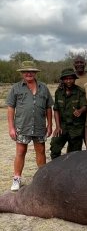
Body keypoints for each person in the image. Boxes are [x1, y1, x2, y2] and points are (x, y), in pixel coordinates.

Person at [6, 61, 53, 191]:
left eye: (31, 71)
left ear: (35, 73)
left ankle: (43, 178)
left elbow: (49, 107)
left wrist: (49, 125)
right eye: (26, 71)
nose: (29, 73)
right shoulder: (16, 88)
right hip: (22, 126)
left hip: (39, 126)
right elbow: (11, 108)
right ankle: (16, 179)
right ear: (22, 73)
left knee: (41, 151)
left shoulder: (43, 87)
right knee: (20, 152)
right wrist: (11, 128)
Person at [50, 68, 87, 159]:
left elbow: (85, 106)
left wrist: (80, 111)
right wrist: (58, 127)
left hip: (76, 128)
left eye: (71, 78)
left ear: (74, 79)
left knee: (74, 155)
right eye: (66, 79)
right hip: (63, 126)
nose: (68, 81)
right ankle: (56, 169)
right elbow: (56, 109)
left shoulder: (80, 91)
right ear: (62, 80)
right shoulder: (59, 92)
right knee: (54, 148)